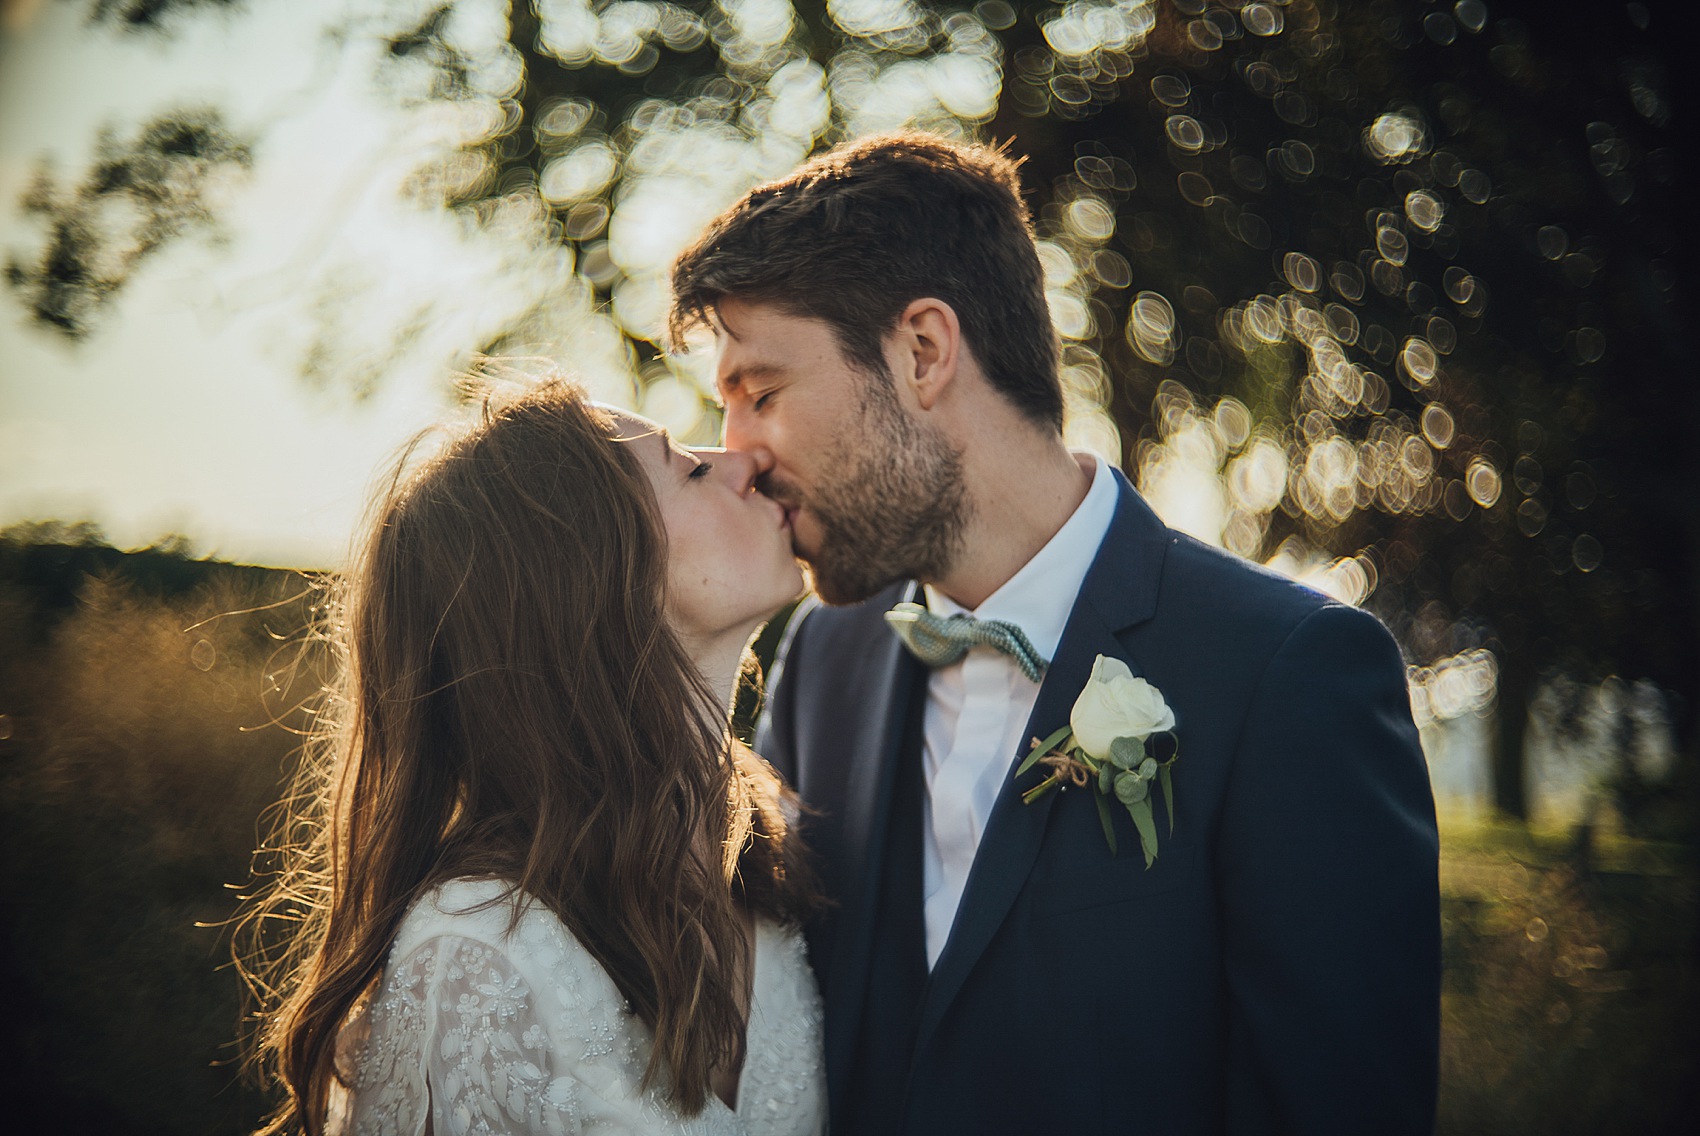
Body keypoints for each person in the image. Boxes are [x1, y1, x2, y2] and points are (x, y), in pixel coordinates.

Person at [669, 132, 1442, 1134]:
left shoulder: (1285, 674)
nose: (736, 451)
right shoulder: (824, 658)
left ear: (921, 352)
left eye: (759, 391)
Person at [239, 380, 826, 1136]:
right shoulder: (477, 957)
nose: (740, 459)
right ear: (595, 578)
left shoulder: (768, 866)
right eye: (689, 468)